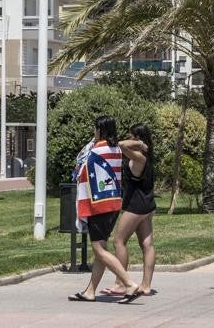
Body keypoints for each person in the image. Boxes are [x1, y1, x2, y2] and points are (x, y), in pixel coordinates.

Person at [68, 116, 140, 304]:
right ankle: (90, 291)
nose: (93, 132)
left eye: (95, 129)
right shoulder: (116, 149)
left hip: (98, 205)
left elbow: (81, 169)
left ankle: (129, 283)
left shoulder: (96, 150)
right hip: (113, 203)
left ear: (99, 129)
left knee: (99, 250)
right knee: (102, 248)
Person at [103, 123, 157, 299]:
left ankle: (120, 283)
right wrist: (140, 144)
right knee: (147, 245)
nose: (129, 138)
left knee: (119, 241)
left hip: (135, 206)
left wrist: (138, 144)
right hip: (148, 205)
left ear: (138, 138)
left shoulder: (139, 158)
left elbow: (120, 145)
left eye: (132, 135)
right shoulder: (148, 158)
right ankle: (146, 286)